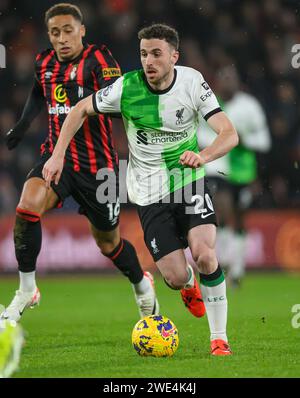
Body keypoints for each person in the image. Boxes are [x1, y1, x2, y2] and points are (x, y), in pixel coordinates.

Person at [43, 24, 239, 355]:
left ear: (174, 57)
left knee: (206, 255)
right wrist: (57, 154)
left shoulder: (192, 82)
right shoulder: (126, 87)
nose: (149, 60)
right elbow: (78, 110)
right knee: (176, 276)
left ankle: (218, 339)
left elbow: (229, 133)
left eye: (157, 54)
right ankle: (188, 285)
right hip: (149, 194)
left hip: (187, 182)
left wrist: (203, 156)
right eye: (144, 54)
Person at [1, 3, 160, 322]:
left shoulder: (99, 59)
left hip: (99, 168)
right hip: (56, 159)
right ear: (49, 35)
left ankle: (142, 284)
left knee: (108, 243)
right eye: (55, 32)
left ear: (82, 31)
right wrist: (22, 124)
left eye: (68, 31)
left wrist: (88, 105)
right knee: (27, 208)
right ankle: (27, 288)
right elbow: (38, 91)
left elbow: (118, 101)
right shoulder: (44, 61)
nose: (62, 38)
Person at [198, 65, 271, 287]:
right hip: (217, 168)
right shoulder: (209, 104)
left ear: (238, 82)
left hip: (244, 172)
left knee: (238, 219)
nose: (227, 82)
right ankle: (219, 265)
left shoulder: (249, 106)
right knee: (221, 211)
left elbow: (264, 141)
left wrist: (241, 138)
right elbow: (199, 133)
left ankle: (237, 269)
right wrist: (216, 144)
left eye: (231, 78)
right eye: (223, 78)